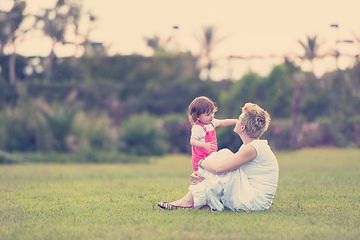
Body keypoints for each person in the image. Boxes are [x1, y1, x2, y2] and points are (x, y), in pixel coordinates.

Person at [158, 103, 279, 212]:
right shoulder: (250, 147)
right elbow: (225, 173)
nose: (237, 120)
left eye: (239, 119)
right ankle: (198, 202)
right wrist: (201, 173)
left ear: (243, 127)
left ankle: (189, 201)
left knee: (224, 155)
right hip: (250, 196)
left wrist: (201, 163)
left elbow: (219, 169)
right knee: (222, 159)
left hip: (255, 202)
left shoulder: (252, 148)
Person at [188, 96, 237, 171]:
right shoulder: (198, 128)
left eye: (212, 113)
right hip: (201, 160)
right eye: (208, 114)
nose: (212, 116)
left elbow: (223, 122)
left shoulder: (212, 123)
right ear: (197, 116)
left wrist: (236, 121)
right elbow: (192, 141)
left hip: (211, 158)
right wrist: (204, 145)